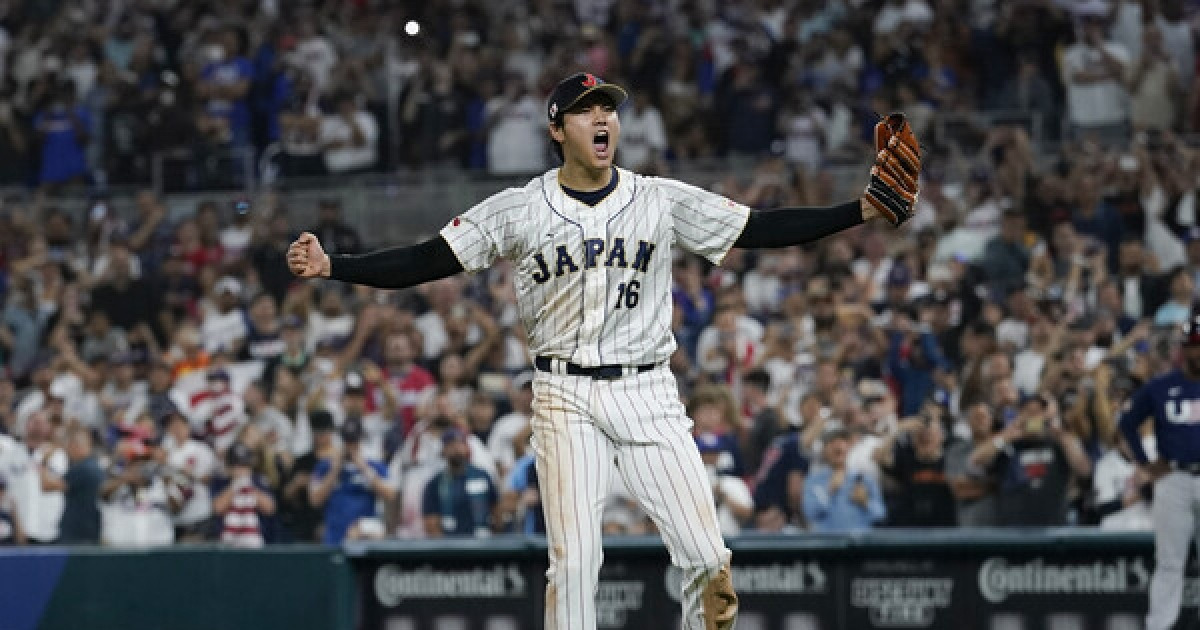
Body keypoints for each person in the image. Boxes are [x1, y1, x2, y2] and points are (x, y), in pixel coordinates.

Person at [288, 72, 921, 630]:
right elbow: (426, 260)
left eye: (610, 109)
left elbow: (758, 226)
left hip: (648, 393)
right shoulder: (519, 209)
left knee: (708, 557)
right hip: (563, 395)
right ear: (557, 128)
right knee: (575, 562)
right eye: (589, 109)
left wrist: (859, 210)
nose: (604, 118)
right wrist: (334, 267)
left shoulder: (656, 198)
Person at [1118, 314, 1200, 630]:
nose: (1198, 352)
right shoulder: (1161, 387)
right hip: (1174, 478)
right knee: (1169, 563)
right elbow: (1126, 423)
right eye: (1194, 346)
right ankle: (1159, 626)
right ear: (1183, 349)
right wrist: (1144, 463)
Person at [308, 416, 395, 544]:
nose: (350, 445)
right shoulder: (324, 466)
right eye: (347, 441)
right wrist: (334, 471)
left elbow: (390, 494)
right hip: (335, 537)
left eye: (354, 441)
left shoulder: (374, 465)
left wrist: (364, 468)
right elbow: (314, 500)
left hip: (364, 536)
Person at [421, 427, 499, 538]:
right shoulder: (434, 483)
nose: (456, 449)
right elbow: (431, 524)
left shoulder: (482, 475)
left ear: (467, 448)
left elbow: (496, 511)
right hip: (450, 545)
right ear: (443, 450)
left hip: (482, 543)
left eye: (460, 444)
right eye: (451, 445)